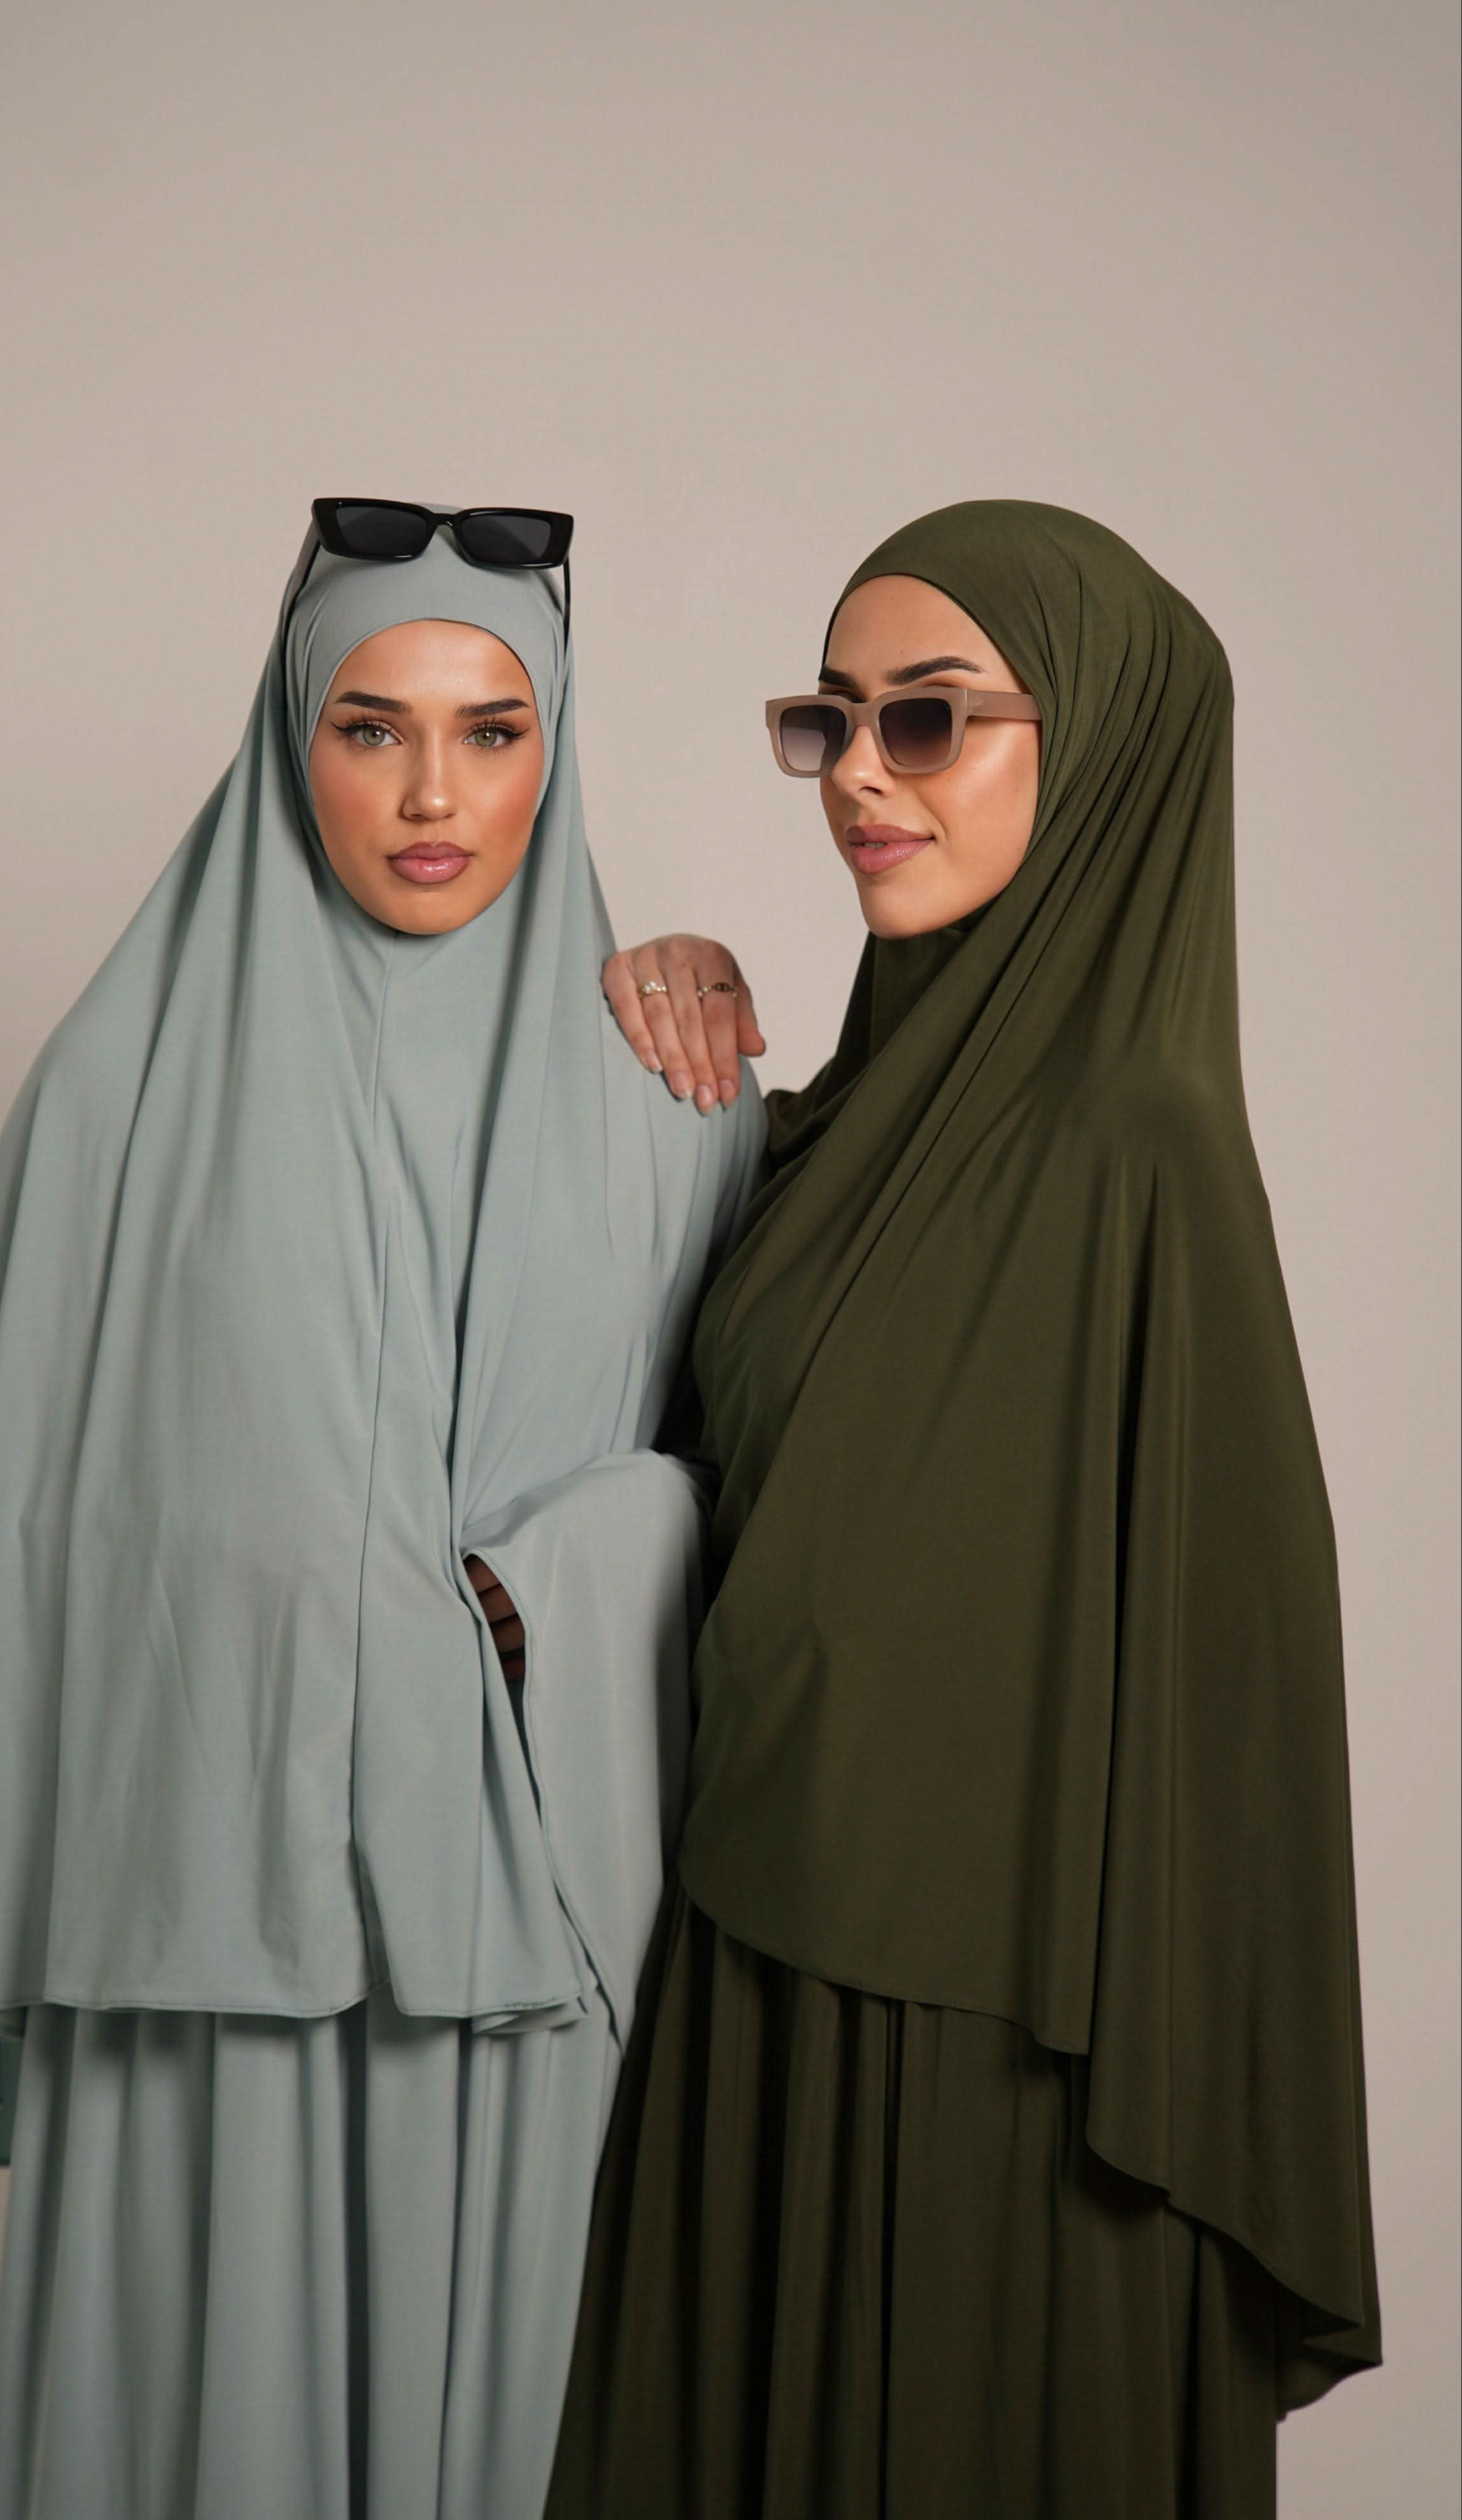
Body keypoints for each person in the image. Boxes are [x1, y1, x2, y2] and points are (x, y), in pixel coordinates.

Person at [0, 499, 763, 2520]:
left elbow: (776, 1498)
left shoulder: (679, 1093)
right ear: (290, 739)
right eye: (371, 727)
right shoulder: (109, 1099)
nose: (433, 795)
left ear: (556, 750)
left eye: (492, 731)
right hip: (195, 1937)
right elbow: (19, 1545)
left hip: (528, 1931)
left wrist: (550, 1584)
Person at [550, 499, 1380, 2519]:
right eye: (828, 719)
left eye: (926, 719)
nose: (857, 773)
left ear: (1095, 752)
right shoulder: (822, 1141)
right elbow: (631, 1427)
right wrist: (624, 1009)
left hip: (1002, 2056)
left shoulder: (1136, 1156)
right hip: (756, 1978)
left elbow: (1227, 1700)